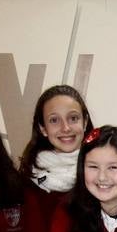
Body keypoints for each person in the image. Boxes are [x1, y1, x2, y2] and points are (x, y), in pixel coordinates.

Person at [18, 84, 91, 213]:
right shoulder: (27, 179)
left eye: (73, 118)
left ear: (84, 122)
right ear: (43, 128)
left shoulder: (103, 173)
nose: (65, 128)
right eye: (54, 120)